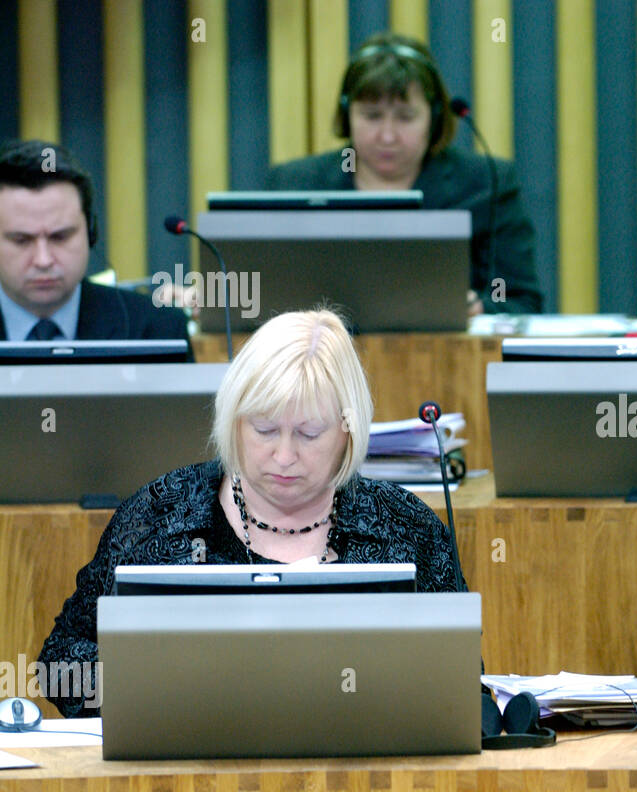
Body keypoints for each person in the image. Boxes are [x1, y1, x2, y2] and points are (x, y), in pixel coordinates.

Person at [37, 308, 464, 717]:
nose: (283, 456)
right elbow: (59, 665)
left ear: (348, 431)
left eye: (309, 434)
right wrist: (161, 690)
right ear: (233, 420)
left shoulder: (406, 528)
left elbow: (461, 677)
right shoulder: (160, 515)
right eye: (264, 429)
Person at [265, 33, 542, 317]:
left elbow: (521, 301)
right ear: (347, 114)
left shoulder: (485, 183)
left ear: (433, 117)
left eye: (406, 117)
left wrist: (476, 306)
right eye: (372, 116)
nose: (387, 136)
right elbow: (263, 297)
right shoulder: (294, 184)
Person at [0, 140, 192, 351]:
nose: (43, 260)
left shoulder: (158, 330)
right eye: (21, 240)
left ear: (91, 232)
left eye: (60, 237)